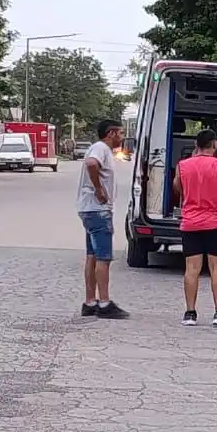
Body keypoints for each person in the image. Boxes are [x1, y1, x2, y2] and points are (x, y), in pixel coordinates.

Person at [172, 129, 217, 327]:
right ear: (214, 145)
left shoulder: (182, 165)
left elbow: (177, 186)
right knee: (216, 268)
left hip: (190, 223)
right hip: (215, 223)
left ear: (196, 145)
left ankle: (190, 313)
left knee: (191, 269)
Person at [77, 119, 129, 319]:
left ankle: (90, 301)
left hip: (89, 210)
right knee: (103, 257)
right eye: (120, 133)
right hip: (98, 211)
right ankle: (105, 303)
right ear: (111, 133)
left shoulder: (100, 149)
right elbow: (91, 164)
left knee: (92, 255)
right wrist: (99, 190)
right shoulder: (101, 148)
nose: (122, 138)